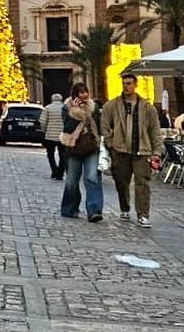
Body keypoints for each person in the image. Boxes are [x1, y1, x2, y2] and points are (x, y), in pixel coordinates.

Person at [102, 74, 162, 227]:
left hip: (142, 150)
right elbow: (105, 125)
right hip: (120, 150)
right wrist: (110, 143)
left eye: (129, 83)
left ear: (135, 85)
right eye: (124, 83)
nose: (126, 86)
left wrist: (156, 151)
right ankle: (125, 208)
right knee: (122, 181)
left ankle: (143, 215)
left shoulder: (147, 107)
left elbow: (154, 130)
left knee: (142, 183)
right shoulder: (112, 105)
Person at [58, 82, 103, 222]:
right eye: (81, 92)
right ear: (75, 95)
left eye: (85, 92)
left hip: (91, 146)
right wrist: (76, 112)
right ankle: (69, 208)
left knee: (92, 178)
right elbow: (67, 127)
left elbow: (98, 126)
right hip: (74, 147)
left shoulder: (93, 107)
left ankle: (94, 210)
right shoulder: (67, 107)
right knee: (72, 180)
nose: (84, 95)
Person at [41, 93, 66, 180]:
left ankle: (54, 170)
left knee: (50, 154)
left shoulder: (47, 108)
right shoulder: (65, 108)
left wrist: (45, 130)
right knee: (63, 154)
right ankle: (61, 172)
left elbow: (42, 121)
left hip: (50, 135)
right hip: (62, 135)